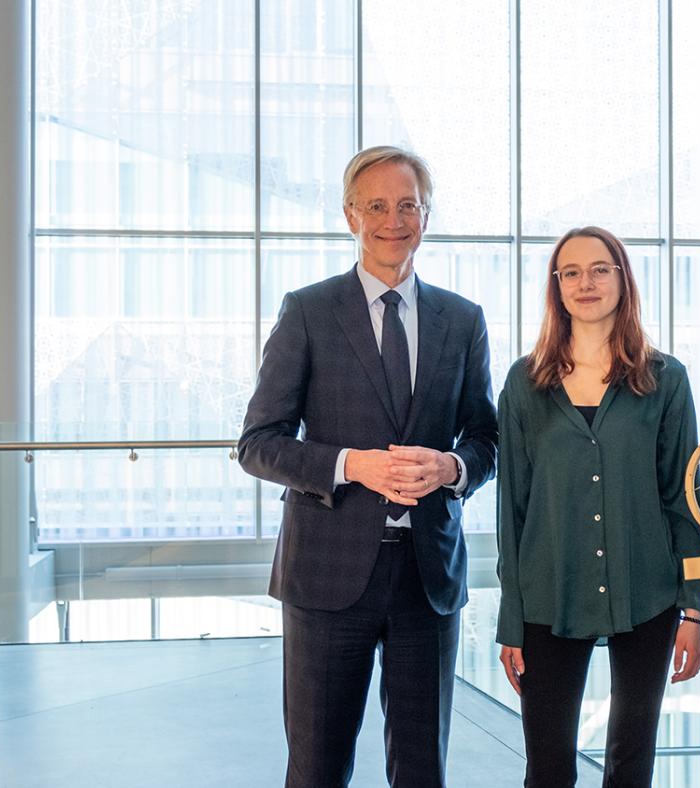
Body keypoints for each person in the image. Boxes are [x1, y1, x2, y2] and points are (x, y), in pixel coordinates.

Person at [238, 146, 499, 788]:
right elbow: (258, 442)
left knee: (422, 770)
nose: (393, 219)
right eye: (377, 205)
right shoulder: (309, 311)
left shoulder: (463, 320)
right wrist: (351, 464)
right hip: (326, 576)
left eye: (407, 204)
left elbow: (486, 437)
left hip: (427, 579)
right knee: (319, 767)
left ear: (426, 216)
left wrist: (452, 469)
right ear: (350, 215)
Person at [495, 226, 700, 787]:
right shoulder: (523, 384)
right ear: (556, 286)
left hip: (650, 594)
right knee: (547, 766)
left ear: (622, 279)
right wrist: (510, 620)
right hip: (550, 595)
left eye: (599, 269)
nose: (585, 282)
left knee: (631, 762)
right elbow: (510, 509)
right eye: (571, 272)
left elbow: (683, 500)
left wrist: (693, 609)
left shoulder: (667, 380)